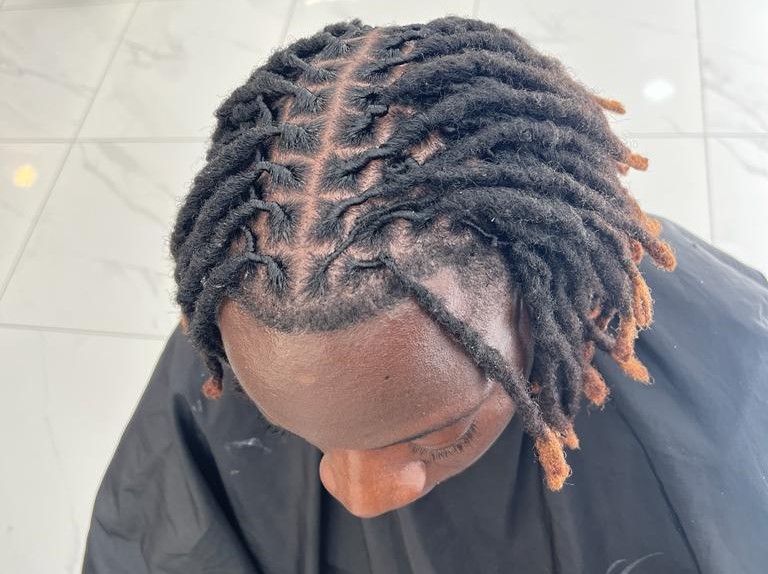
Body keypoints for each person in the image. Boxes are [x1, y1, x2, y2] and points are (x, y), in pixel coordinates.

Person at [81, 15, 768, 574]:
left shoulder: (729, 404)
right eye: (292, 430)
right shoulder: (265, 308)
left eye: (439, 436)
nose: (358, 497)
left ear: (562, 302)